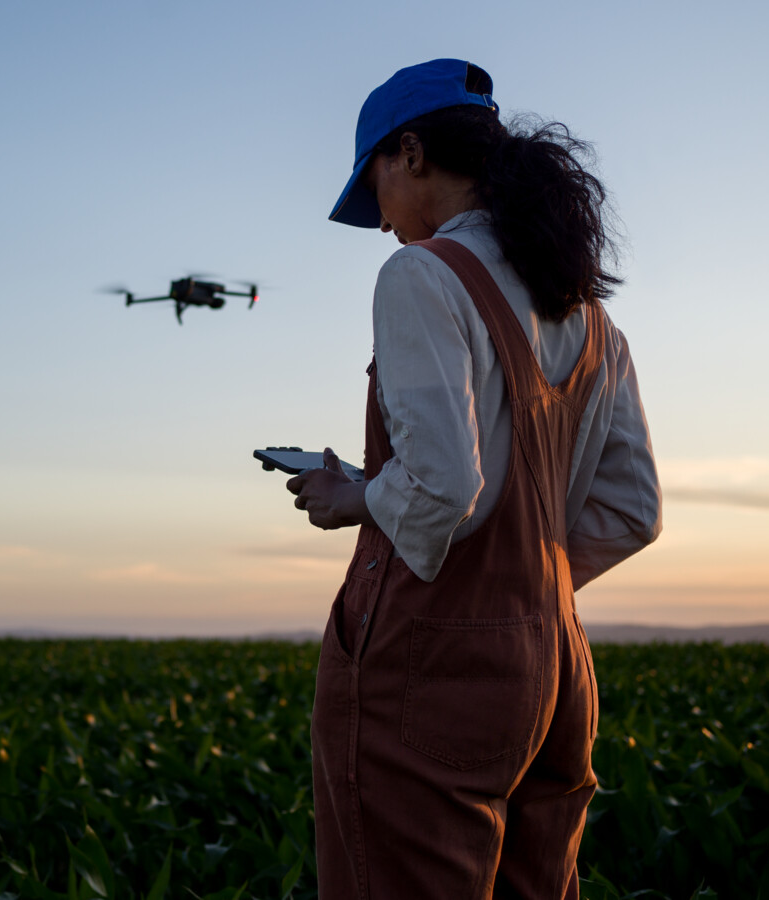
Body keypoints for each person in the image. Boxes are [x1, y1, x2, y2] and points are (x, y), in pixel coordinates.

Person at [285, 59, 661, 898]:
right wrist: (523, 581)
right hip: (557, 671)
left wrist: (351, 497)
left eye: (373, 185)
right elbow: (634, 513)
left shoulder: (422, 276)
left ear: (411, 153)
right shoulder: (590, 315)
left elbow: (443, 485)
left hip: (435, 675)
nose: (381, 223)